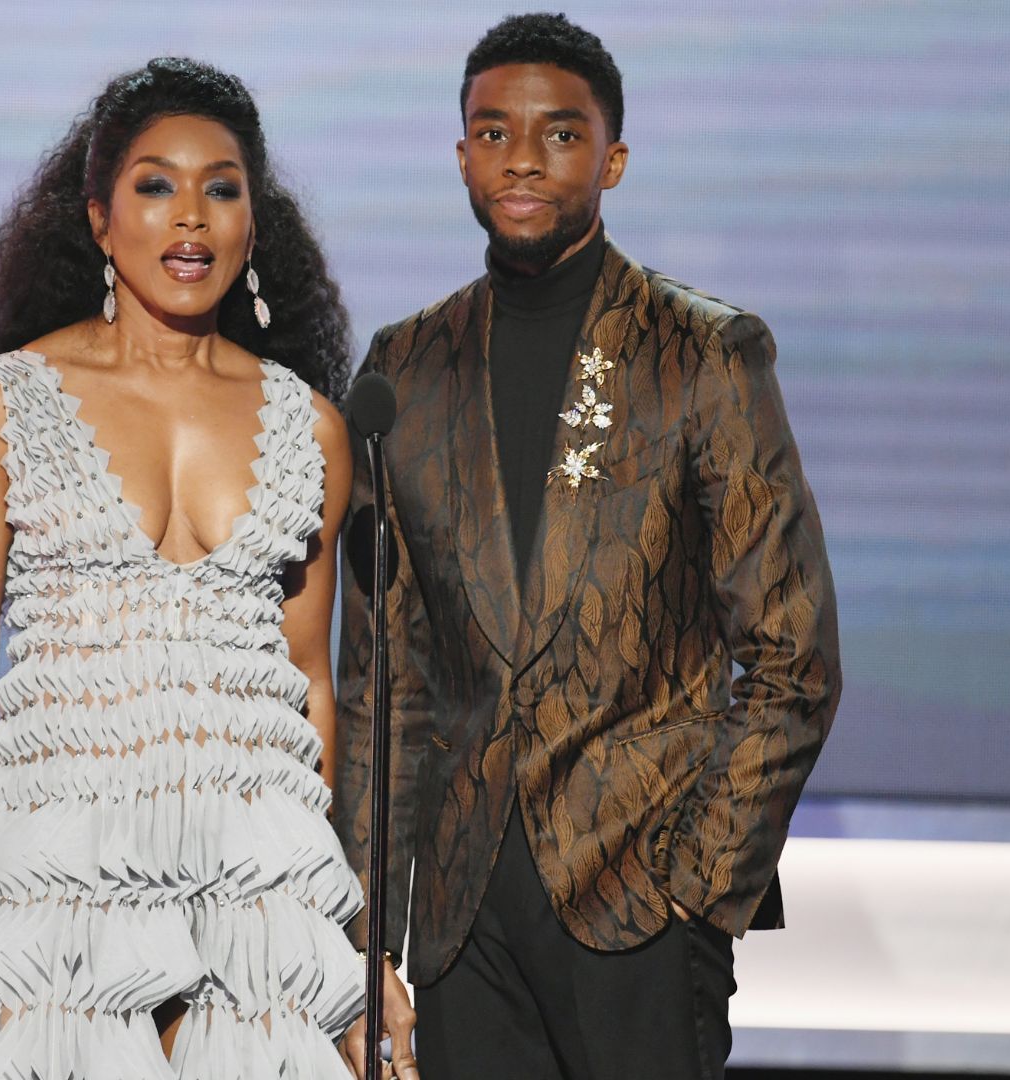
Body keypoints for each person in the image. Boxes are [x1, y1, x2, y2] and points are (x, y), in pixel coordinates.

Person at [335, 15, 841, 1080]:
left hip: (644, 903)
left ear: (611, 158)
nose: (522, 156)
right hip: (463, 919)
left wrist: (702, 882)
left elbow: (793, 653)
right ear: (462, 152)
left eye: (559, 135)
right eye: (493, 131)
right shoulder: (405, 368)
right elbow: (386, 680)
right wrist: (366, 933)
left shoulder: (703, 353)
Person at [0, 57, 365, 1077]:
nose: (189, 218)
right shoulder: (2, 404)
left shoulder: (311, 427)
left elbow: (312, 686)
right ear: (100, 219)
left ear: (255, 222)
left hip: (251, 886)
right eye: (156, 185)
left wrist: (326, 917)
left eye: (221, 187)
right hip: (67, 875)